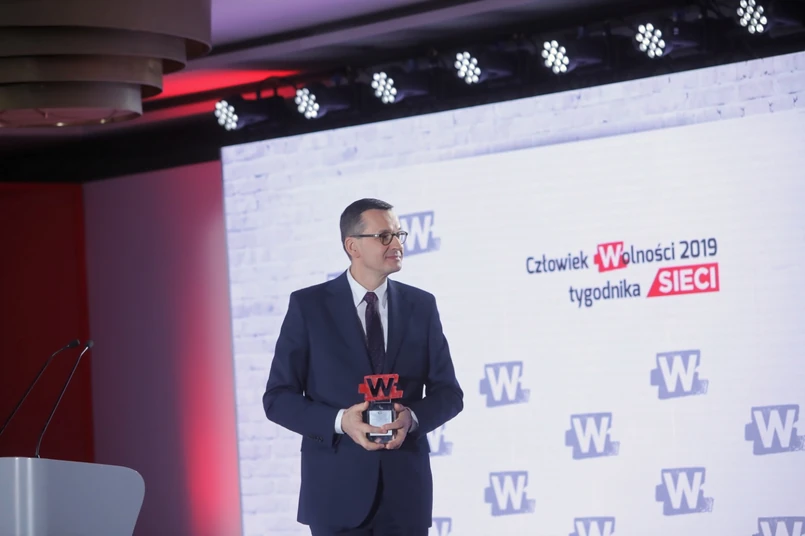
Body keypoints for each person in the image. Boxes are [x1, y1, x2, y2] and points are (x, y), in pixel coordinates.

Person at [262, 198, 464, 536]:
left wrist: (412, 418)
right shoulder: (309, 307)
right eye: (384, 236)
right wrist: (341, 421)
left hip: (405, 495)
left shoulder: (421, 305)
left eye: (399, 234)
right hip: (334, 493)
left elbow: (449, 394)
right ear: (352, 246)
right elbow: (278, 398)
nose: (397, 244)